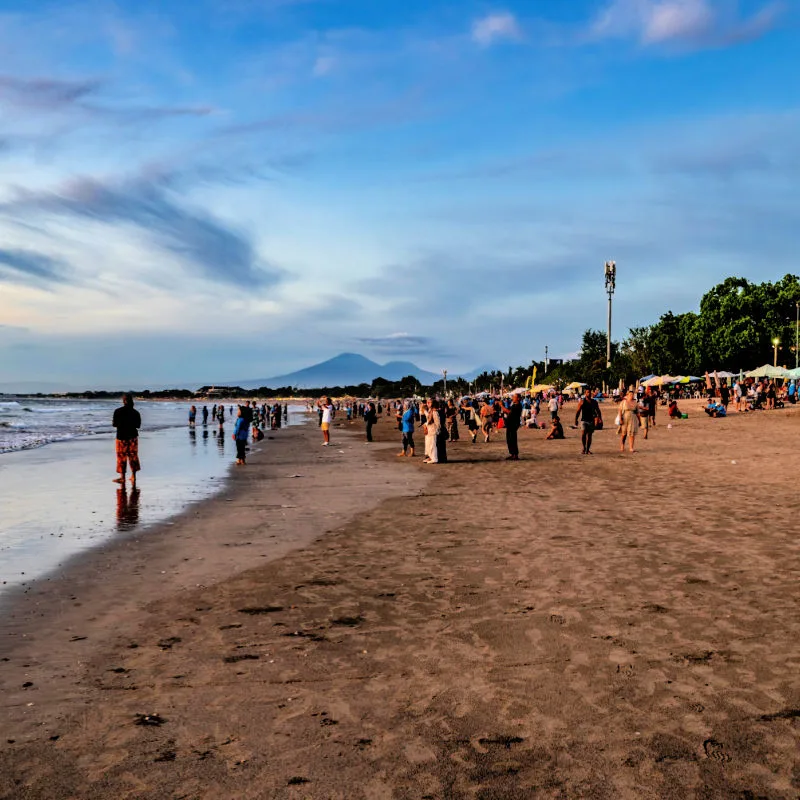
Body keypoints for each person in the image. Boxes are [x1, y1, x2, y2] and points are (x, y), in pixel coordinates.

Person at [112, 392, 141, 485]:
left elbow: (114, 424)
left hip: (121, 437)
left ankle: (122, 477)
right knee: (133, 456)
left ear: (124, 401)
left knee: (121, 457)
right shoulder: (136, 412)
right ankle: (133, 476)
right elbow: (138, 425)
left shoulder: (117, 411)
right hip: (132, 437)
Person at [574, 387, 601, 455]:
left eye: (589, 392)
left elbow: (598, 411)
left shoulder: (594, 402)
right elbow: (578, 411)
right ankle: (584, 448)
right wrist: (576, 420)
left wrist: (600, 418)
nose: (588, 394)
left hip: (591, 420)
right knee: (583, 434)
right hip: (584, 421)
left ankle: (588, 449)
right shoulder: (582, 402)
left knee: (589, 436)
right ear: (585, 393)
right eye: (587, 392)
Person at [503, 393, 523, 460]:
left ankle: (515, 454)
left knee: (512, 438)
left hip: (513, 424)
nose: (513, 398)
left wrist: (501, 405)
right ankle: (512, 453)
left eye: (514, 397)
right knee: (509, 439)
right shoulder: (514, 405)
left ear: (518, 398)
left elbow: (509, 412)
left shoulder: (518, 406)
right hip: (510, 423)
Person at [422, 398, 441, 464]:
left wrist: (436, 430)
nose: (428, 403)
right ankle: (430, 457)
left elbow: (437, 423)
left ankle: (434, 458)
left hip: (433, 430)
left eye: (429, 402)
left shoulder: (435, 411)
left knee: (432, 445)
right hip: (428, 430)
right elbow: (428, 418)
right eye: (427, 402)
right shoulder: (430, 410)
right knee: (428, 444)